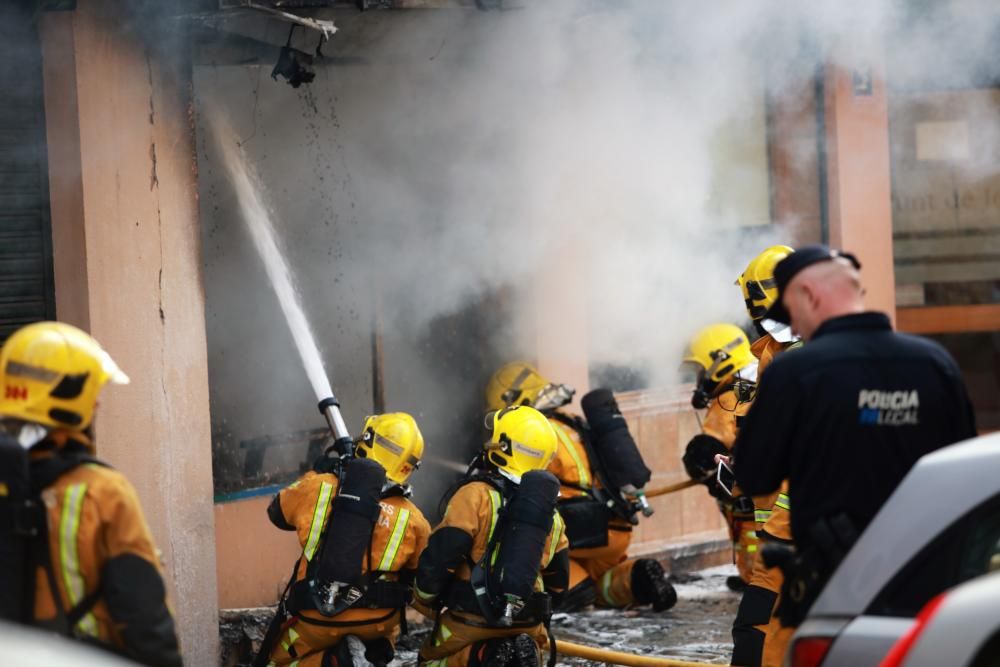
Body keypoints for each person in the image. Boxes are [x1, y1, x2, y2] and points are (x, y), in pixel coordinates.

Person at [734, 244, 977, 626]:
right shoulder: (935, 363)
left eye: (791, 314)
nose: (794, 328)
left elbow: (753, 476)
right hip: (922, 581)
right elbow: (964, 471)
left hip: (834, 586)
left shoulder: (794, 372)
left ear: (809, 296)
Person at [0, 322, 182, 667]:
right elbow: (144, 617)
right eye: (93, 390)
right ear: (70, 396)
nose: (98, 401)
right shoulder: (103, 492)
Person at [484, 363, 676, 614]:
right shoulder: (572, 422)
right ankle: (634, 580)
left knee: (535, 542)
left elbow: (520, 479)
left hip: (582, 525)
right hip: (614, 524)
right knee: (601, 573)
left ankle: (574, 587)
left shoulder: (536, 434)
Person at [260, 412, 431, 667]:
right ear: (408, 466)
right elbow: (418, 577)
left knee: (278, 661)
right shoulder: (414, 518)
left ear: (367, 441)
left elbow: (276, 513)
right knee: (385, 623)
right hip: (379, 622)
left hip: (318, 617)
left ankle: (332, 661)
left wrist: (317, 473)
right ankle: (376, 652)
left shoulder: (320, 486)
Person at [413, 405, 569, 667]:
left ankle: (484, 655)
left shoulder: (475, 496)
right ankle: (517, 653)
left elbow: (443, 554)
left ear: (505, 447)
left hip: (472, 622)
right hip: (528, 626)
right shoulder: (551, 516)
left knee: (429, 662)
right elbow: (560, 583)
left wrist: (423, 597)